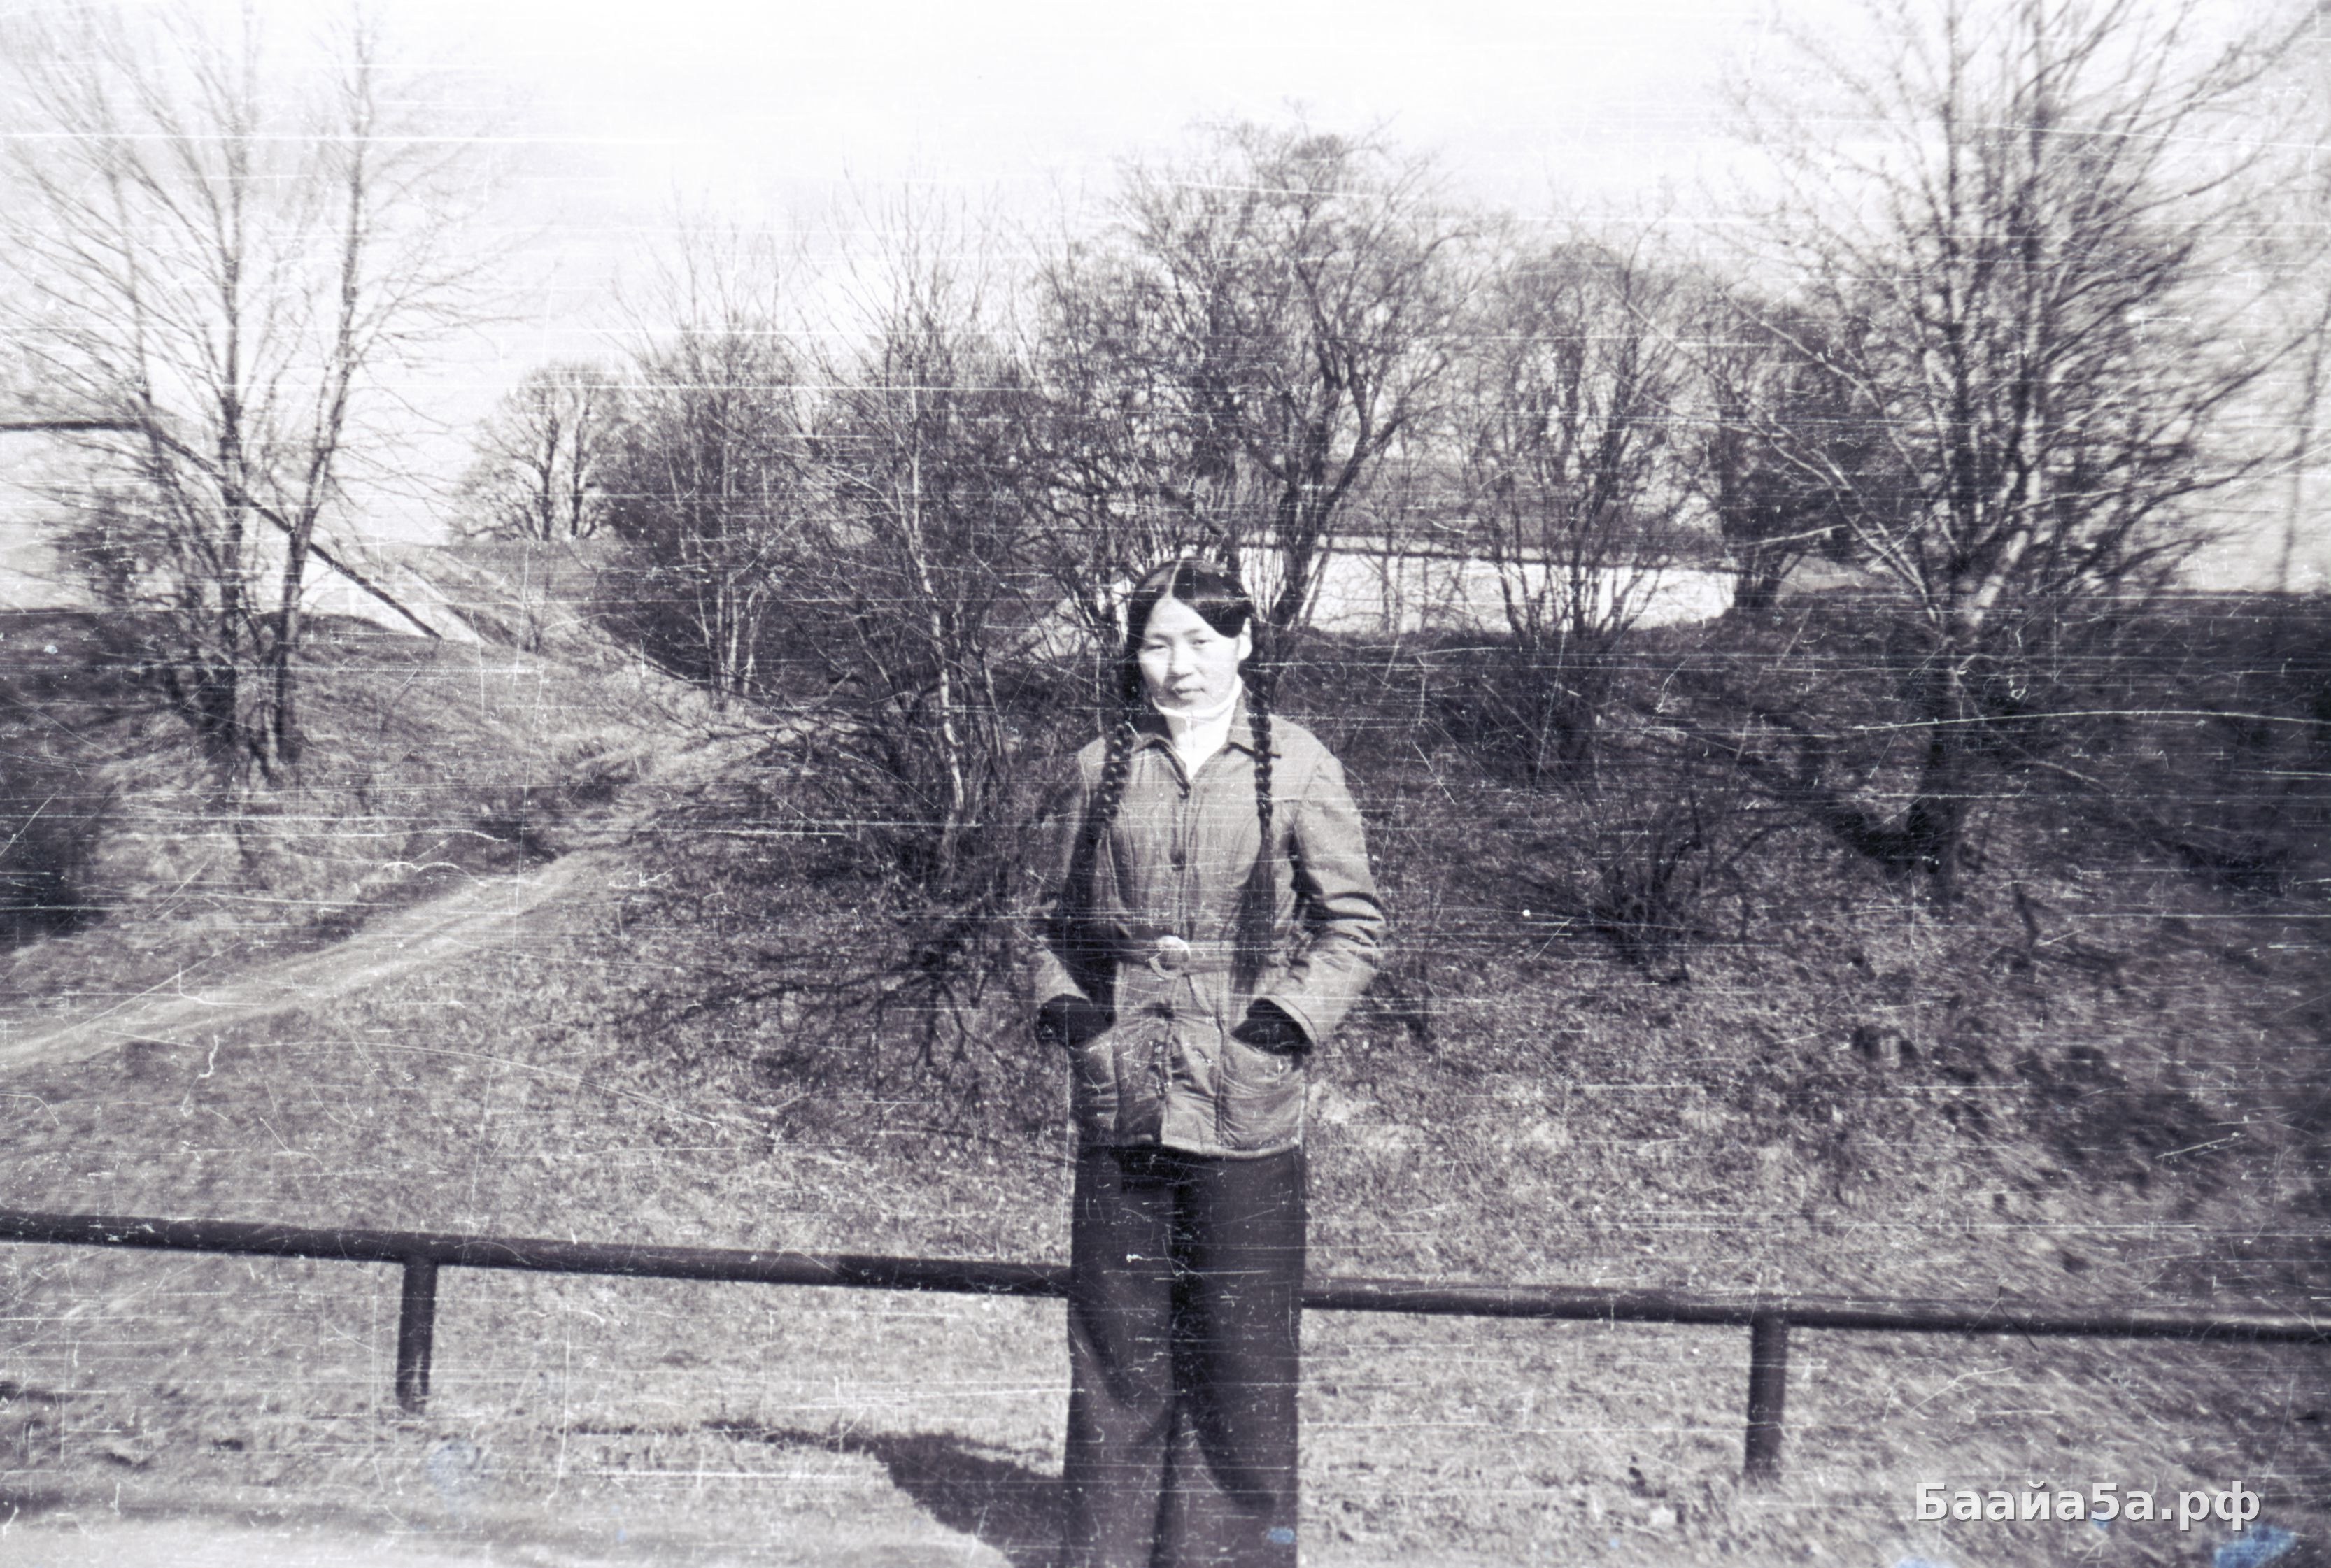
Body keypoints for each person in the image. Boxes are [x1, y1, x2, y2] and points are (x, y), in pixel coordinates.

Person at [1028, 558, 1387, 1568]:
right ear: (1133, 653)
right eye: (1156, 643)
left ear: (1244, 642)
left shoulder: (1301, 764)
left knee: (1242, 1356)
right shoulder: (1097, 766)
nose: (1178, 665)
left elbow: (1354, 927)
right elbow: (1046, 925)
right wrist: (1075, 1016)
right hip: (1125, 1102)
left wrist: (1282, 1024)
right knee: (1118, 1353)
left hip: (1247, 1109)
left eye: (1200, 640)